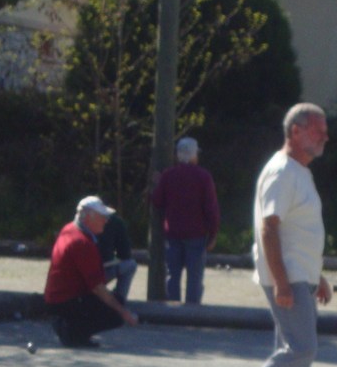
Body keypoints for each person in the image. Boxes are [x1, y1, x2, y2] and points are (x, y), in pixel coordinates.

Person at [220, 103, 333, 367]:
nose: (325, 136)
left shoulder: (299, 171)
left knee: (293, 350)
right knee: (302, 348)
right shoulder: (282, 171)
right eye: (318, 130)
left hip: (301, 276)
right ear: (295, 132)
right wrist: (282, 282)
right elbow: (269, 228)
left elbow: (299, 232)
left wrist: (319, 275)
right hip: (288, 278)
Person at [44, 196, 139, 347]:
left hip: (59, 300)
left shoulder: (69, 229)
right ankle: (72, 333)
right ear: (88, 217)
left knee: (112, 302)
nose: (106, 221)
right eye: (102, 217)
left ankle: (75, 332)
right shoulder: (82, 242)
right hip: (66, 301)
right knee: (114, 314)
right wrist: (123, 312)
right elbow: (97, 288)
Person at [151, 137, 220, 304]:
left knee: (173, 276)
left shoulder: (168, 175)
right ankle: (192, 313)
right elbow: (211, 209)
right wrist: (213, 234)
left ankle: (174, 312)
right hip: (196, 235)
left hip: (173, 234)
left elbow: (157, 201)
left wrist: (157, 184)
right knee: (194, 278)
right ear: (194, 154)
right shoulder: (203, 177)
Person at [97, 213, 138, 303]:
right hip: (99, 272)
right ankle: (119, 300)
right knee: (131, 265)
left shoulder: (77, 223)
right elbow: (125, 254)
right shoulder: (114, 220)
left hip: (75, 277)